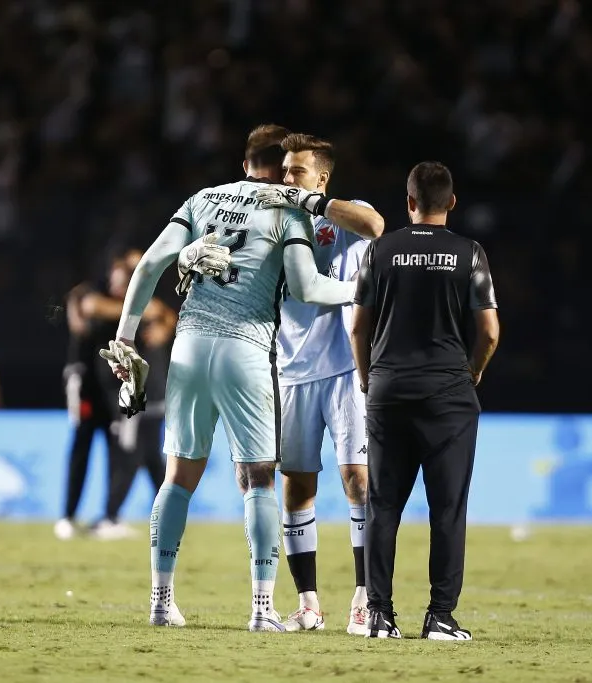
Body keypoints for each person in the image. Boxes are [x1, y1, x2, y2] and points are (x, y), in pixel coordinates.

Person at [104, 124, 356, 631]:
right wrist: (359, 288)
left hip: (190, 345)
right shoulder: (288, 210)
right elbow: (306, 288)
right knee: (260, 478)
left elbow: (152, 261)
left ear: (244, 164)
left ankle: (160, 601)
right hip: (245, 349)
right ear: (282, 169)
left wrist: (126, 338)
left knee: (178, 477)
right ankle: (262, 610)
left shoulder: (202, 199)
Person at [350, 161, 499, 641]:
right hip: (449, 393)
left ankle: (378, 614)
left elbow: (358, 325)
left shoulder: (379, 250)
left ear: (408, 202)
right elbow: (491, 332)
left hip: (389, 389)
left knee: (384, 505)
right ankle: (439, 616)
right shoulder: (469, 254)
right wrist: (471, 372)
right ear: (452, 203)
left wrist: (367, 377)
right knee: (448, 509)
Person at [246, 134, 384, 634]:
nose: (286, 179)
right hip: (290, 371)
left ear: (321, 178)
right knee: (297, 486)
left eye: (296, 171)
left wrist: (313, 203)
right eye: (284, 171)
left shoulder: (344, 215)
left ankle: (365, 598)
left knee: (358, 481)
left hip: (347, 371)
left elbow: (376, 226)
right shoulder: (277, 221)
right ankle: (308, 605)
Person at [57, 257, 142, 541]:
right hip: (85, 383)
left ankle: (109, 515)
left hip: (110, 388)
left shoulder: (119, 306)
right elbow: (87, 305)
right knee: (81, 445)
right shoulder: (94, 296)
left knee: (116, 450)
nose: (119, 283)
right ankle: (67, 516)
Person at [105, 297, 175, 525]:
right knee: (129, 459)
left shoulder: (155, 319)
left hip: (155, 400)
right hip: (134, 402)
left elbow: (166, 314)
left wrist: (164, 324)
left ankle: (167, 514)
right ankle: (111, 516)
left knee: (154, 461)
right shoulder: (126, 318)